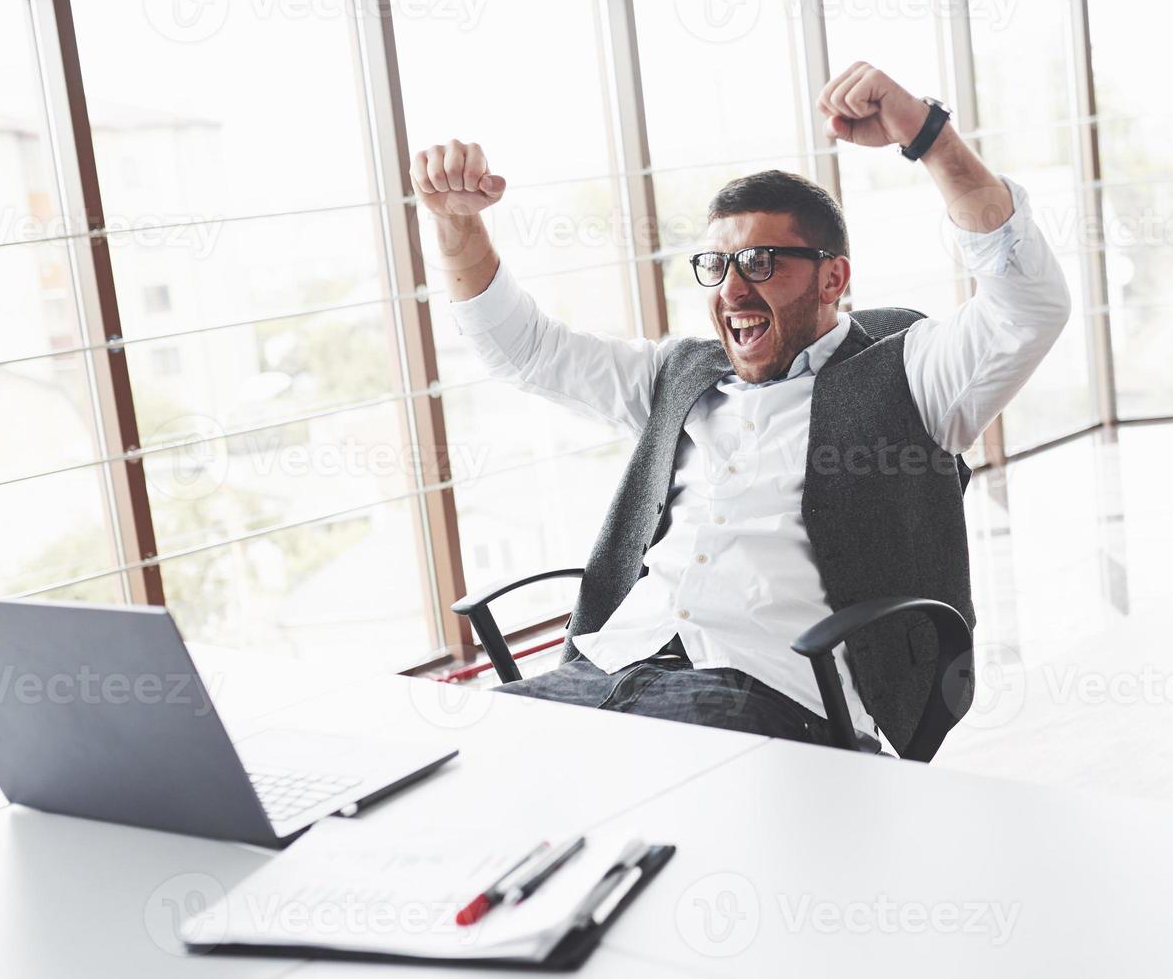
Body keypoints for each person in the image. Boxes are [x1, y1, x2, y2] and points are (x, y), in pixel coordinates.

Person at [413, 63, 1071, 753]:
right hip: (608, 670)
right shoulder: (679, 377)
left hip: (764, 693)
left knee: (634, 789)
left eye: (761, 262)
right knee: (469, 759)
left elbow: (1029, 305)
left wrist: (929, 137)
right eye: (716, 265)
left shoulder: (910, 374)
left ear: (833, 277)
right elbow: (527, 352)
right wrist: (459, 227)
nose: (731, 290)